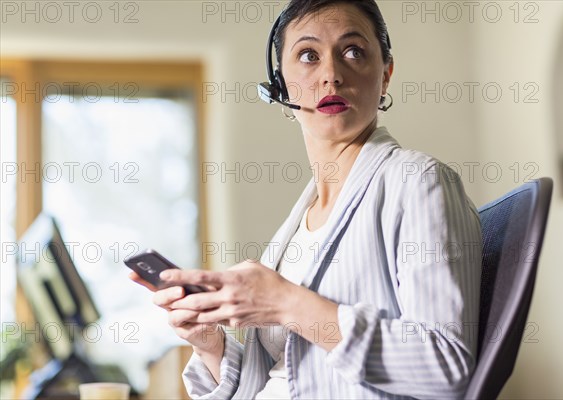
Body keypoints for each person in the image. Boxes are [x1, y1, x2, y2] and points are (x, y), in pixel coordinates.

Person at [131, 0, 482, 398]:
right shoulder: (296, 230)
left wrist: (287, 303)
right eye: (308, 56)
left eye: (353, 51)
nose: (331, 74)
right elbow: (283, 376)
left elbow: (445, 367)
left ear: (385, 76)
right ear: (280, 86)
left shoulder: (418, 182)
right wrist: (209, 343)